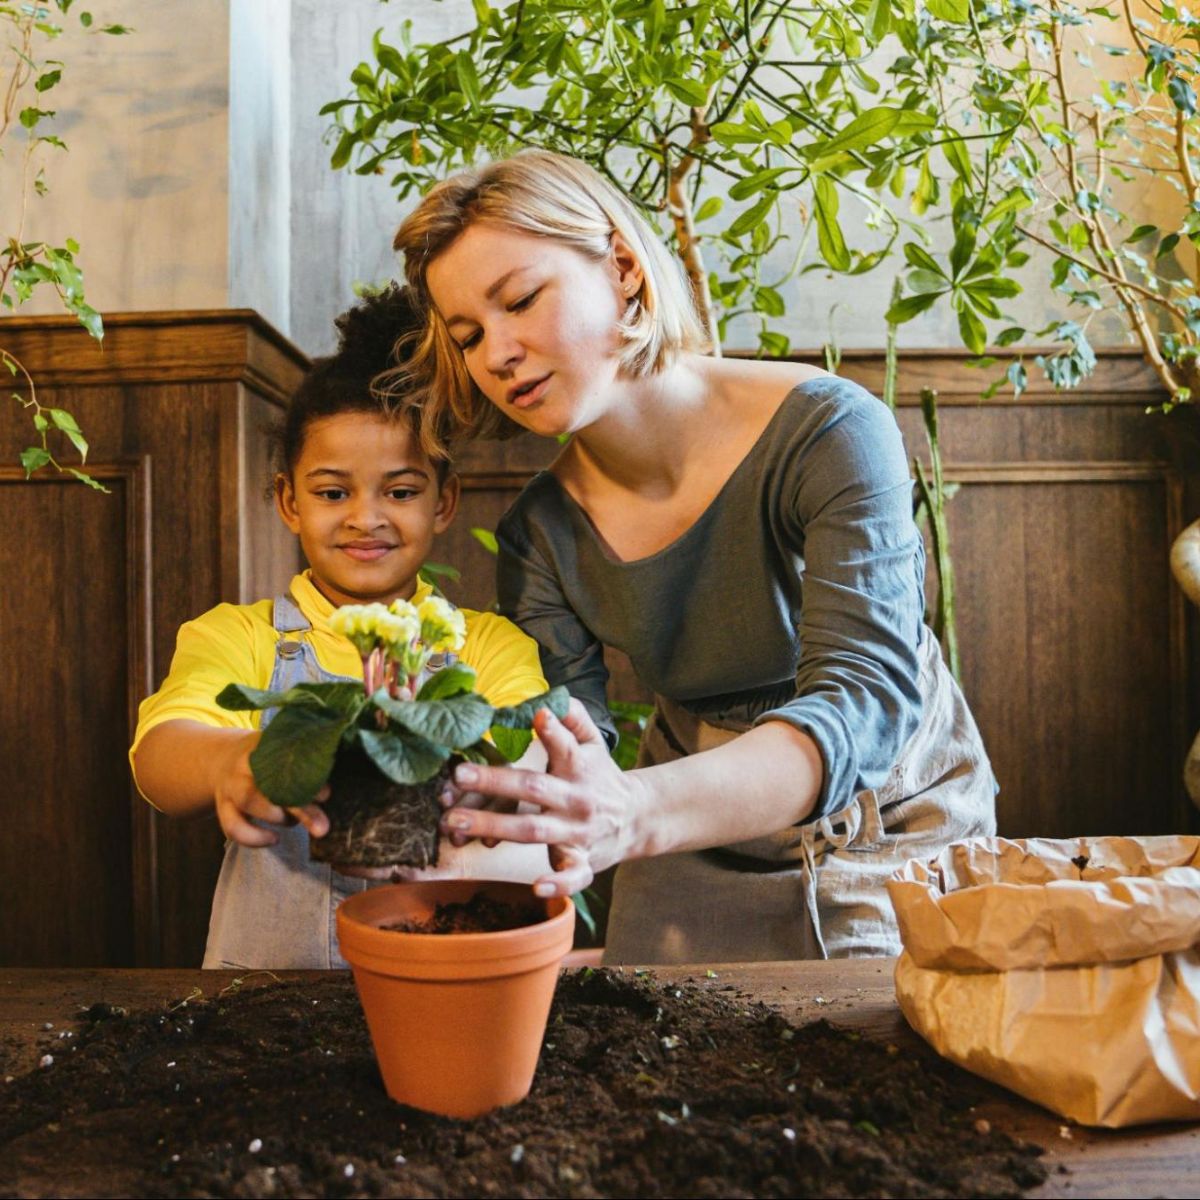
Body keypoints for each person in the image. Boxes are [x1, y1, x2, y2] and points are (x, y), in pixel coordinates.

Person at [391, 149, 997, 964]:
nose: (496, 353)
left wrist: (634, 811)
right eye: (468, 335)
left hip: (888, 807)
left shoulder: (831, 431)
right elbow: (576, 744)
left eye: (521, 299)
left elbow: (863, 700)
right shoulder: (540, 537)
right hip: (682, 814)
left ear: (623, 269)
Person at [130, 285, 551, 969]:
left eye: (401, 491)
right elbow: (160, 756)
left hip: (439, 966)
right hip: (268, 989)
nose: (365, 518)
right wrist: (234, 762)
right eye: (332, 492)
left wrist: (485, 774)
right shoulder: (242, 635)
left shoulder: (485, 644)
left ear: (444, 502)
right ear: (288, 501)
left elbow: (526, 748)